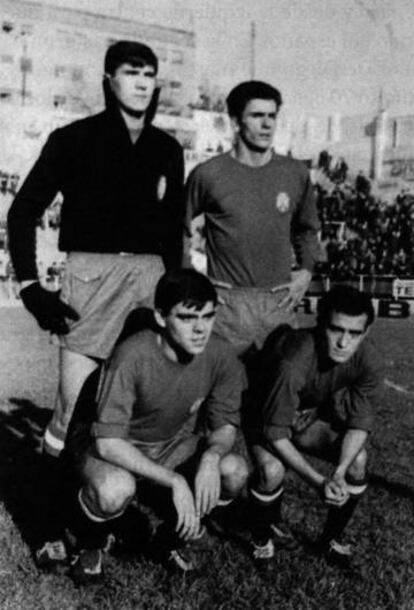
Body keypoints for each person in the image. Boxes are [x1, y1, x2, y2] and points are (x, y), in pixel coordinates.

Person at [7, 40, 185, 565]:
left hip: (151, 278)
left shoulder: (166, 148)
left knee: (136, 406)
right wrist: (30, 286)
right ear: (109, 78)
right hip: (91, 276)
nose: (142, 82)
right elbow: (22, 213)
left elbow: (173, 231)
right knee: (69, 411)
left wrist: (172, 289)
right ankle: (45, 526)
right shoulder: (73, 139)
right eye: (132, 72)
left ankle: (100, 523)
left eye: (150, 74)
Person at [67, 269, 248, 583]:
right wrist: (176, 482)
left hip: (165, 444)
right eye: (188, 318)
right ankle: (90, 544)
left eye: (208, 316)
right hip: (108, 444)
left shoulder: (220, 353)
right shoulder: (132, 354)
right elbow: (108, 443)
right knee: (115, 490)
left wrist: (211, 457)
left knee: (233, 471)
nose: (200, 329)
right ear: (162, 317)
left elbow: (226, 426)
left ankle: (168, 540)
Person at [245, 285, 382, 565]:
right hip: (262, 416)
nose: (344, 343)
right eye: (336, 330)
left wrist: (340, 473)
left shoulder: (368, 359)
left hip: (307, 416)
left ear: (365, 333)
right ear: (320, 325)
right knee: (271, 471)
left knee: (358, 459)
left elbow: (359, 423)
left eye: (354, 333)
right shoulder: (293, 361)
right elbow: (274, 433)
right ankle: (260, 535)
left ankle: (329, 539)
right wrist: (319, 481)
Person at [184, 80, 320, 357]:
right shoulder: (208, 174)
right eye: (257, 116)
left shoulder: (294, 173)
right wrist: (193, 282)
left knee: (276, 394)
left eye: (272, 116)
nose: (267, 124)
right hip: (227, 304)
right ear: (236, 122)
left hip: (278, 302)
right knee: (224, 395)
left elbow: (307, 230)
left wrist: (305, 272)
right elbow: (180, 228)